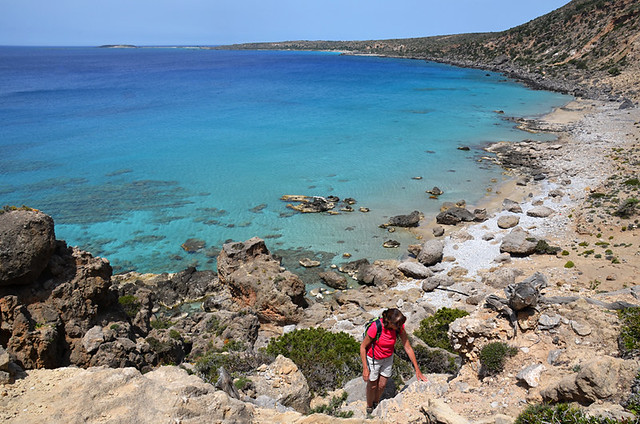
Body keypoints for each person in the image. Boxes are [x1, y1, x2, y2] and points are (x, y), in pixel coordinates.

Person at [360, 308, 427, 414]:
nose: (400, 325)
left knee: (382, 384)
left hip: (388, 357)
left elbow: (407, 347)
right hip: (374, 358)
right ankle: (369, 406)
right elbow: (363, 347)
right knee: (372, 384)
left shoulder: (398, 327)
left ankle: (376, 402)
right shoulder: (376, 327)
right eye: (397, 323)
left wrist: (417, 370)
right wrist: (365, 368)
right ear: (390, 322)